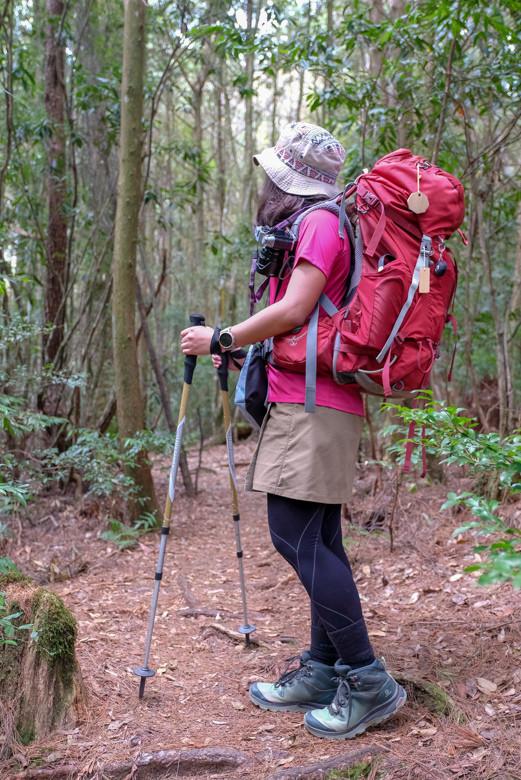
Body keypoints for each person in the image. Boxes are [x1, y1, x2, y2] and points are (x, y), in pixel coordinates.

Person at [180, 121, 406, 740]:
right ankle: (324, 667)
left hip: (315, 407)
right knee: (318, 539)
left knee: (294, 536)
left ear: (290, 180)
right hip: (306, 398)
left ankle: (367, 680)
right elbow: (299, 325)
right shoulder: (314, 224)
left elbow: (297, 308)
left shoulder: (320, 222)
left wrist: (223, 336)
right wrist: (244, 355)